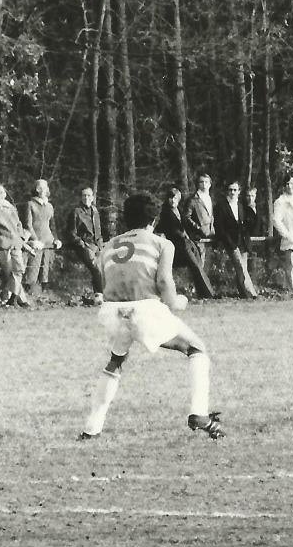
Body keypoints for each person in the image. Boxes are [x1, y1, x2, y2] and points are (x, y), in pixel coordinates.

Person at [80, 192, 224, 441]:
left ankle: (91, 428)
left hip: (112, 312)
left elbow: (103, 280)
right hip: (144, 309)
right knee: (196, 349)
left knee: (115, 361)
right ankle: (199, 413)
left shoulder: (109, 245)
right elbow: (164, 281)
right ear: (154, 220)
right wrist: (176, 302)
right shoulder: (161, 243)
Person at [213, 180, 259, 299]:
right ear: (227, 191)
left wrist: (253, 209)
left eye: (235, 190)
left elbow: (250, 224)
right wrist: (229, 242)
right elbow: (219, 226)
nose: (232, 192)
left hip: (242, 241)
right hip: (230, 241)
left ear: (239, 191)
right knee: (240, 266)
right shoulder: (221, 206)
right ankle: (252, 293)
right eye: (230, 190)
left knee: (242, 267)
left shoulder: (242, 205)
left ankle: (243, 293)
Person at [0, 183, 31, 307]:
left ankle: (13, 298)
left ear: (5, 194)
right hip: (2, 244)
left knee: (19, 270)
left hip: (16, 243)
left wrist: (21, 238)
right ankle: (12, 299)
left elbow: (18, 224)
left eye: (1, 193)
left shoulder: (10, 207)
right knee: (8, 273)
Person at [64, 187, 106, 305]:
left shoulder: (95, 211)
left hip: (96, 245)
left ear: (92, 197)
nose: (86, 198)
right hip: (83, 245)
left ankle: (106, 295)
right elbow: (71, 233)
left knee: (105, 265)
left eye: (88, 195)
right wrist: (81, 243)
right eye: (84, 195)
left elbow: (98, 232)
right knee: (95, 268)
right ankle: (99, 296)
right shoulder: (76, 212)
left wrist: (100, 246)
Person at [21, 179, 59, 296]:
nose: (42, 190)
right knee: (32, 272)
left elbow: (52, 225)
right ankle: (28, 295)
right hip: (36, 243)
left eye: (44, 187)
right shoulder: (30, 204)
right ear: (36, 189)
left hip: (48, 243)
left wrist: (56, 239)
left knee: (45, 273)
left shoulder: (50, 206)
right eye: (39, 187)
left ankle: (43, 296)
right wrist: (35, 240)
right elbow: (28, 225)